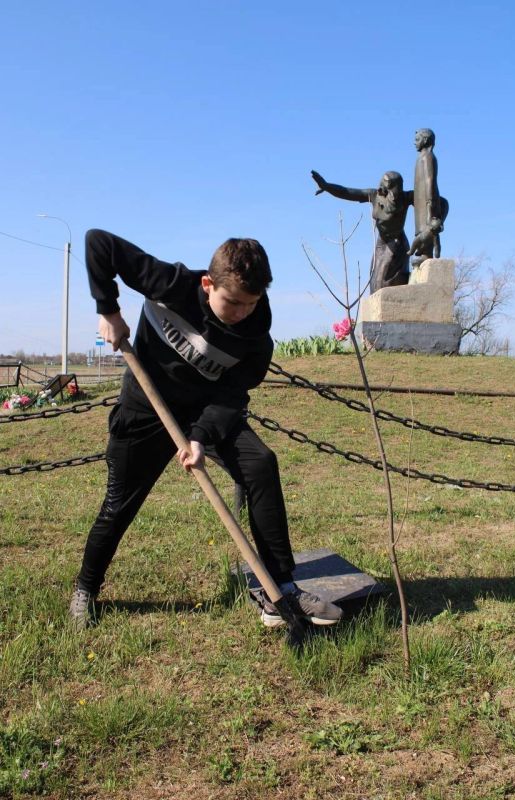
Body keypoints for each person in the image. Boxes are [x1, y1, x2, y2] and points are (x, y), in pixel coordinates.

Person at [69, 229, 343, 631]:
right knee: (119, 503)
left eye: (250, 304)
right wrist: (108, 309)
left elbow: (232, 396)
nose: (241, 312)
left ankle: (279, 587)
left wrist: (199, 436)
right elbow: (98, 243)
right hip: (146, 408)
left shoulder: (255, 337)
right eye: (232, 302)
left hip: (205, 410)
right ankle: (86, 589)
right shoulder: (169, 283)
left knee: (260, 464)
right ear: (207, 284)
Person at [311, 169, 413, 293]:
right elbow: (347, 192)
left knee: (384, 284)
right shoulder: (375, 195)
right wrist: (327, 187)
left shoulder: (406, 197)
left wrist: (434, 222)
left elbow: (440, 202)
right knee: (374, 282)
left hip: (397, 243)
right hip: (381, 243)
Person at [409, 128, 449, 265]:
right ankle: (424, 252)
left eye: (417, 139)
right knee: (420, 228)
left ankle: (427, 254)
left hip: (428, 200)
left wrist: (430, 203)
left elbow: (429, 180)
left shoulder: (428, 157)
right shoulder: (421, 157)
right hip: (421, 200)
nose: (414, 143)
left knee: (427, 228)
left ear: (425, 140)